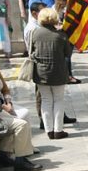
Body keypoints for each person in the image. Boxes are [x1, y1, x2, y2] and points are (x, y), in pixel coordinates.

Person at [0, 43, 41, 171]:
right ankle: (19, 160)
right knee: (20, 124)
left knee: (24, 114)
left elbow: (5, 89)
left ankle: (11, 154)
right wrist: (4, 107)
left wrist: (8, 102)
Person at [30, 8, 72, 140]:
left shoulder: (35, 33)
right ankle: (58, 130)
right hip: (58, 71)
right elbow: (68, 54)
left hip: (41, 72)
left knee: (46, 100)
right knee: (58, 100)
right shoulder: (61, 35)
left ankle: (49, 130)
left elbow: (31, 51)